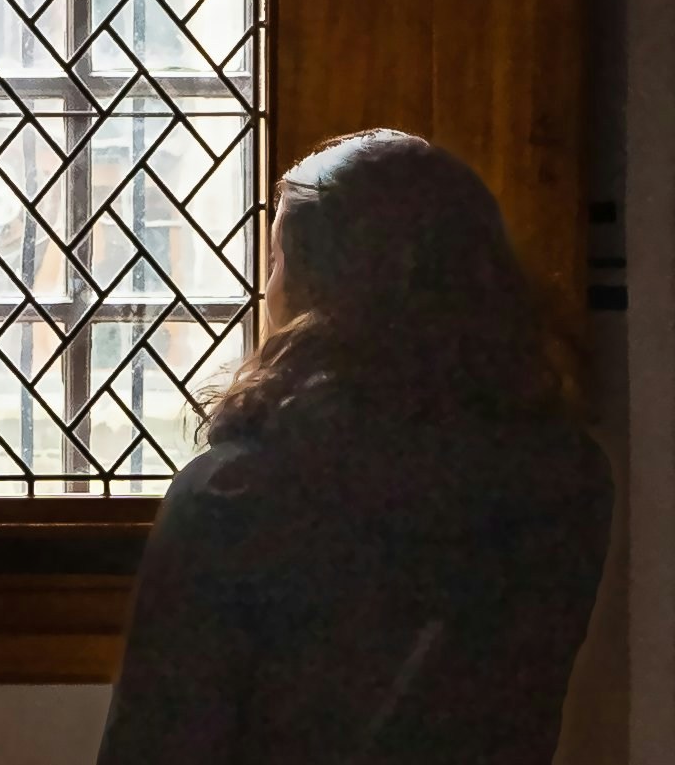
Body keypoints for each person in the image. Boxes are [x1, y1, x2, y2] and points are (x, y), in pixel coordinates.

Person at [97, 131, 613, 765]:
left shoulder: (233, 495)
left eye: (276, 260)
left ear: (317, 289)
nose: (266, 287)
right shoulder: (569, 478)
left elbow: (158, 740)